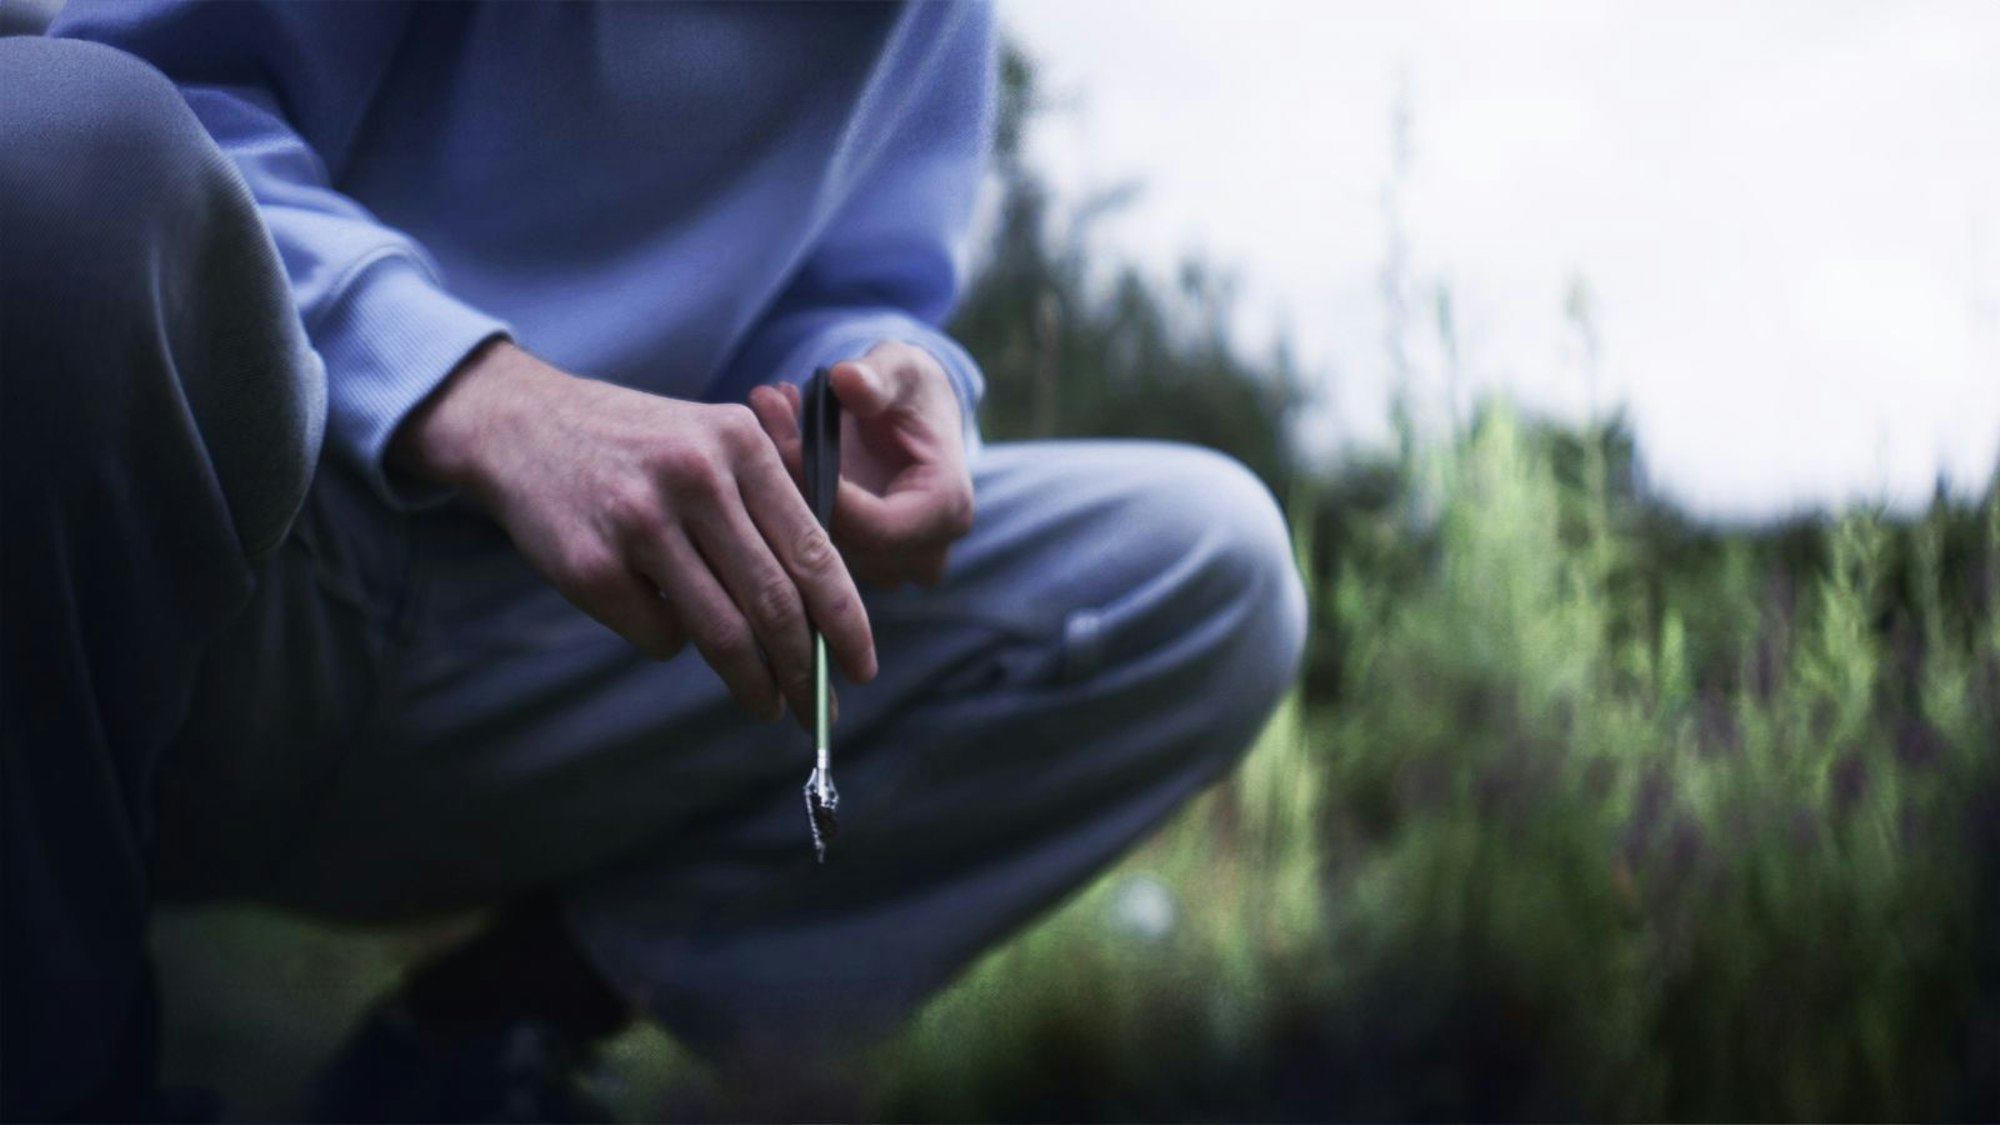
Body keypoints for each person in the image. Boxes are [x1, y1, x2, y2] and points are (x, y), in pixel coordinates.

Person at [1, 2, 1305, 1118]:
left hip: (587, 633)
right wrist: (482, 393)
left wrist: (887, 387)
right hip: (217, 551)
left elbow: (863, 277)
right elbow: (163, 103)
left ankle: (477, 1039)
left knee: (1214, 571)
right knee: (52, 150)